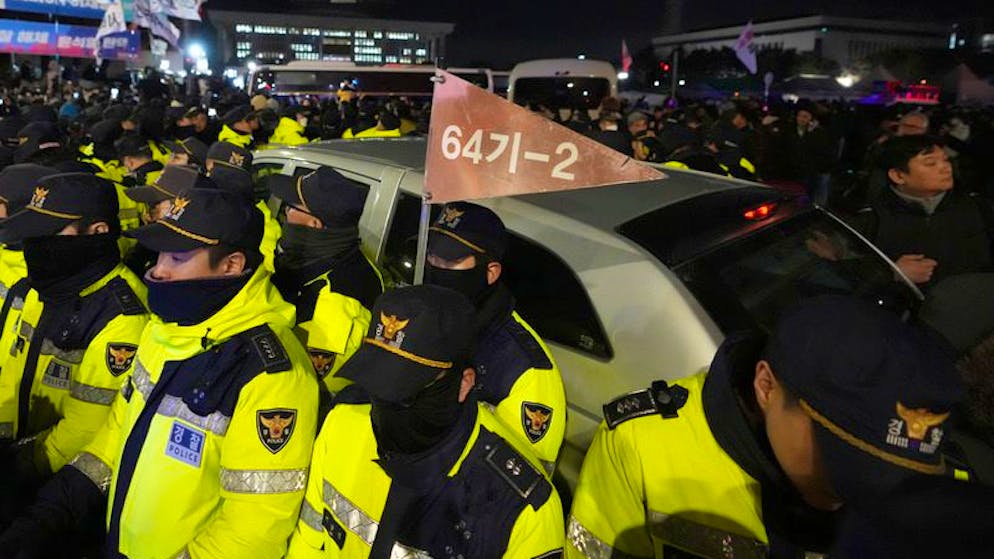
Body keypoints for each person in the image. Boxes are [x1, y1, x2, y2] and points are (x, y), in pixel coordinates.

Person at [0, 187, 319, 558]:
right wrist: (52, 510)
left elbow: (253, 529)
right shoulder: (164, 330)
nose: (159, 269)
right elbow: (115, 436)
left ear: (231, 264)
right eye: (161, 253)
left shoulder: (271, 375)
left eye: (179, 257)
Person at [567, 295, 964, 558]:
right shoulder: (644, 444)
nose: (856, 488)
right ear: (766, 387)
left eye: (889, 474)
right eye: (839, 454)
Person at [285, 284, 565, 558]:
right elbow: (310, 540)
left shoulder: (520, 510)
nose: (387, 404)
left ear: (464, 383)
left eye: (407, 392)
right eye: (378, 385)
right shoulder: (344, 423)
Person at [0, 172, 150, 518]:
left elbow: (86, 428)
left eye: (50, 232)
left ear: (97, 232)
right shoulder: (44, 285)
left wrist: (21, 465)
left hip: (50, 485)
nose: (36, 242)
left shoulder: (121, 316)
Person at [425, 202, 566, 471]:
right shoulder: (428, 319)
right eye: (432, 256)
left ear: (490, 272)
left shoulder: (526, 370)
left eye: (450, 260)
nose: (436, 267)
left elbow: (523, 478)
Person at [268, 167, 383, 401]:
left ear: (313, 224)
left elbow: (321, 385)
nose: (285, 212)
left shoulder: (335, 301)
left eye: (292, 207)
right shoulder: (336, 257)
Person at [852, 135, 994, 289]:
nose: (946, 168)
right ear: (898, 175)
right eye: (931, 163)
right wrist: (890, 272)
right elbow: (842, 272)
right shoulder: (870, 218)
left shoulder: (978, 208)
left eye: (946, 160)